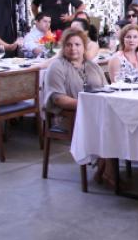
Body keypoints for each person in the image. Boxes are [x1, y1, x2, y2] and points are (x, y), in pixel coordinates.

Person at [42, 28, 109, 184]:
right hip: (67, 117)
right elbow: (58, 99)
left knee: (118, 122)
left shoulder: (92, 66)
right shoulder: (57, 66)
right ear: (63, 47)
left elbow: (106, 89)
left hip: (95, 112)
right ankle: (108, 173)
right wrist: (88, 105)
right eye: (69, 45)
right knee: (106, 126)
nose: (73, 48)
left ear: (84, 47)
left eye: (77, 45)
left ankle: (104, 168)